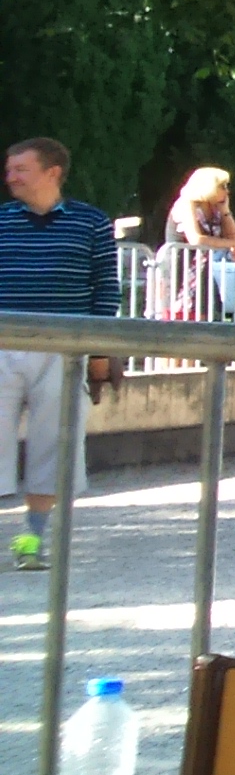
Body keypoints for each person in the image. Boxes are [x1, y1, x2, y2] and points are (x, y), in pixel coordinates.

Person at [0, 138, 115, 572]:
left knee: (55, 444)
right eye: (9, 169)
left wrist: (102, 351)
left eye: (20, 169)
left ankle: (32, 537)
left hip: (65, 350)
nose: (10, 177)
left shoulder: (91, 223)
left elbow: (105, 289)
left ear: (52, 172)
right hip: (2, 343)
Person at [155, 166, 235, 321]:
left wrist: (225, 211)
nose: (227, 191)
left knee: (205, 317)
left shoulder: (216, 208)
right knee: (175, 318)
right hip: (178, 271)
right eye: (222, 187)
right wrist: (229, 244)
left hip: (200, 272)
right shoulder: (186, 204)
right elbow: (195, 238)